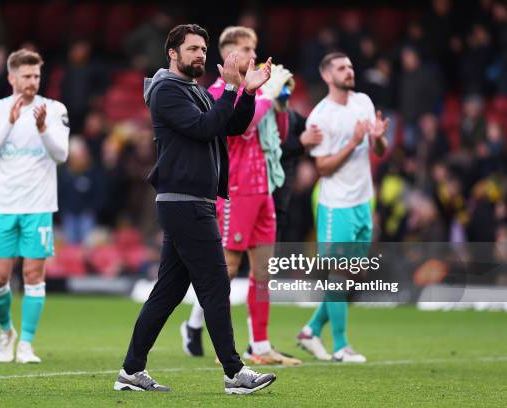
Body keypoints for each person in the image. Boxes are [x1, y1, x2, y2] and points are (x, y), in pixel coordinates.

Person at [114, 24, 276, 394]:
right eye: (193, 49)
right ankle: (234, 373)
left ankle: (131, 371)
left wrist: (247, 91)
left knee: (168, 292)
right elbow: (204, 128)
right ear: (172, 53)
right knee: (216, 285)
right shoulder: (167, 90)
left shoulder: (193, 90)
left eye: (203, 49)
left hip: (191, 202)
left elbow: (229, 126)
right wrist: (232, 87)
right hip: (185, 203)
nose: (201, 55)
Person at [180, 26, 301, 366]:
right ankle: (219, 343)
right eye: (246, 48)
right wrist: (265, 95)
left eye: (255, 47)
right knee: (227, 268)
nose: (254, 54)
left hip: (262, 188)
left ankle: (260, 346)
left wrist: (280, 104)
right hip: (235, 190)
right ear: (228, 53)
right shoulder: (220, 90)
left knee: (263, 271)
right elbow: (242, 126)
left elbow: (279, 135)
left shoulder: (258, 90)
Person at [295, 52, 388, 363]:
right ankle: (341, 347)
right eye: (341, 68)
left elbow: (378, 149)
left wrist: (376, 139)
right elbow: (322, 167)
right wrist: (353, 142)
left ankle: (310, 330)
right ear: (326, 76)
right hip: (337, 204)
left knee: (352, 273)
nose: (349, 71)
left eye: (349, 66)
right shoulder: (321, 116)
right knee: (339, 271)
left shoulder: (363, 101)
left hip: (364, 199)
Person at [0, 49, 69, 364]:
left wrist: (43, 129)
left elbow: (61, 155)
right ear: (11, 78)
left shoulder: (54, 110)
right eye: (26, 76)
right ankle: (6, 333)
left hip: (38, 205)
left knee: (33, 274)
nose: (32, 82)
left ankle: (27, 344)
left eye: (36, 76)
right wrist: (10, 122)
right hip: (3, 205)